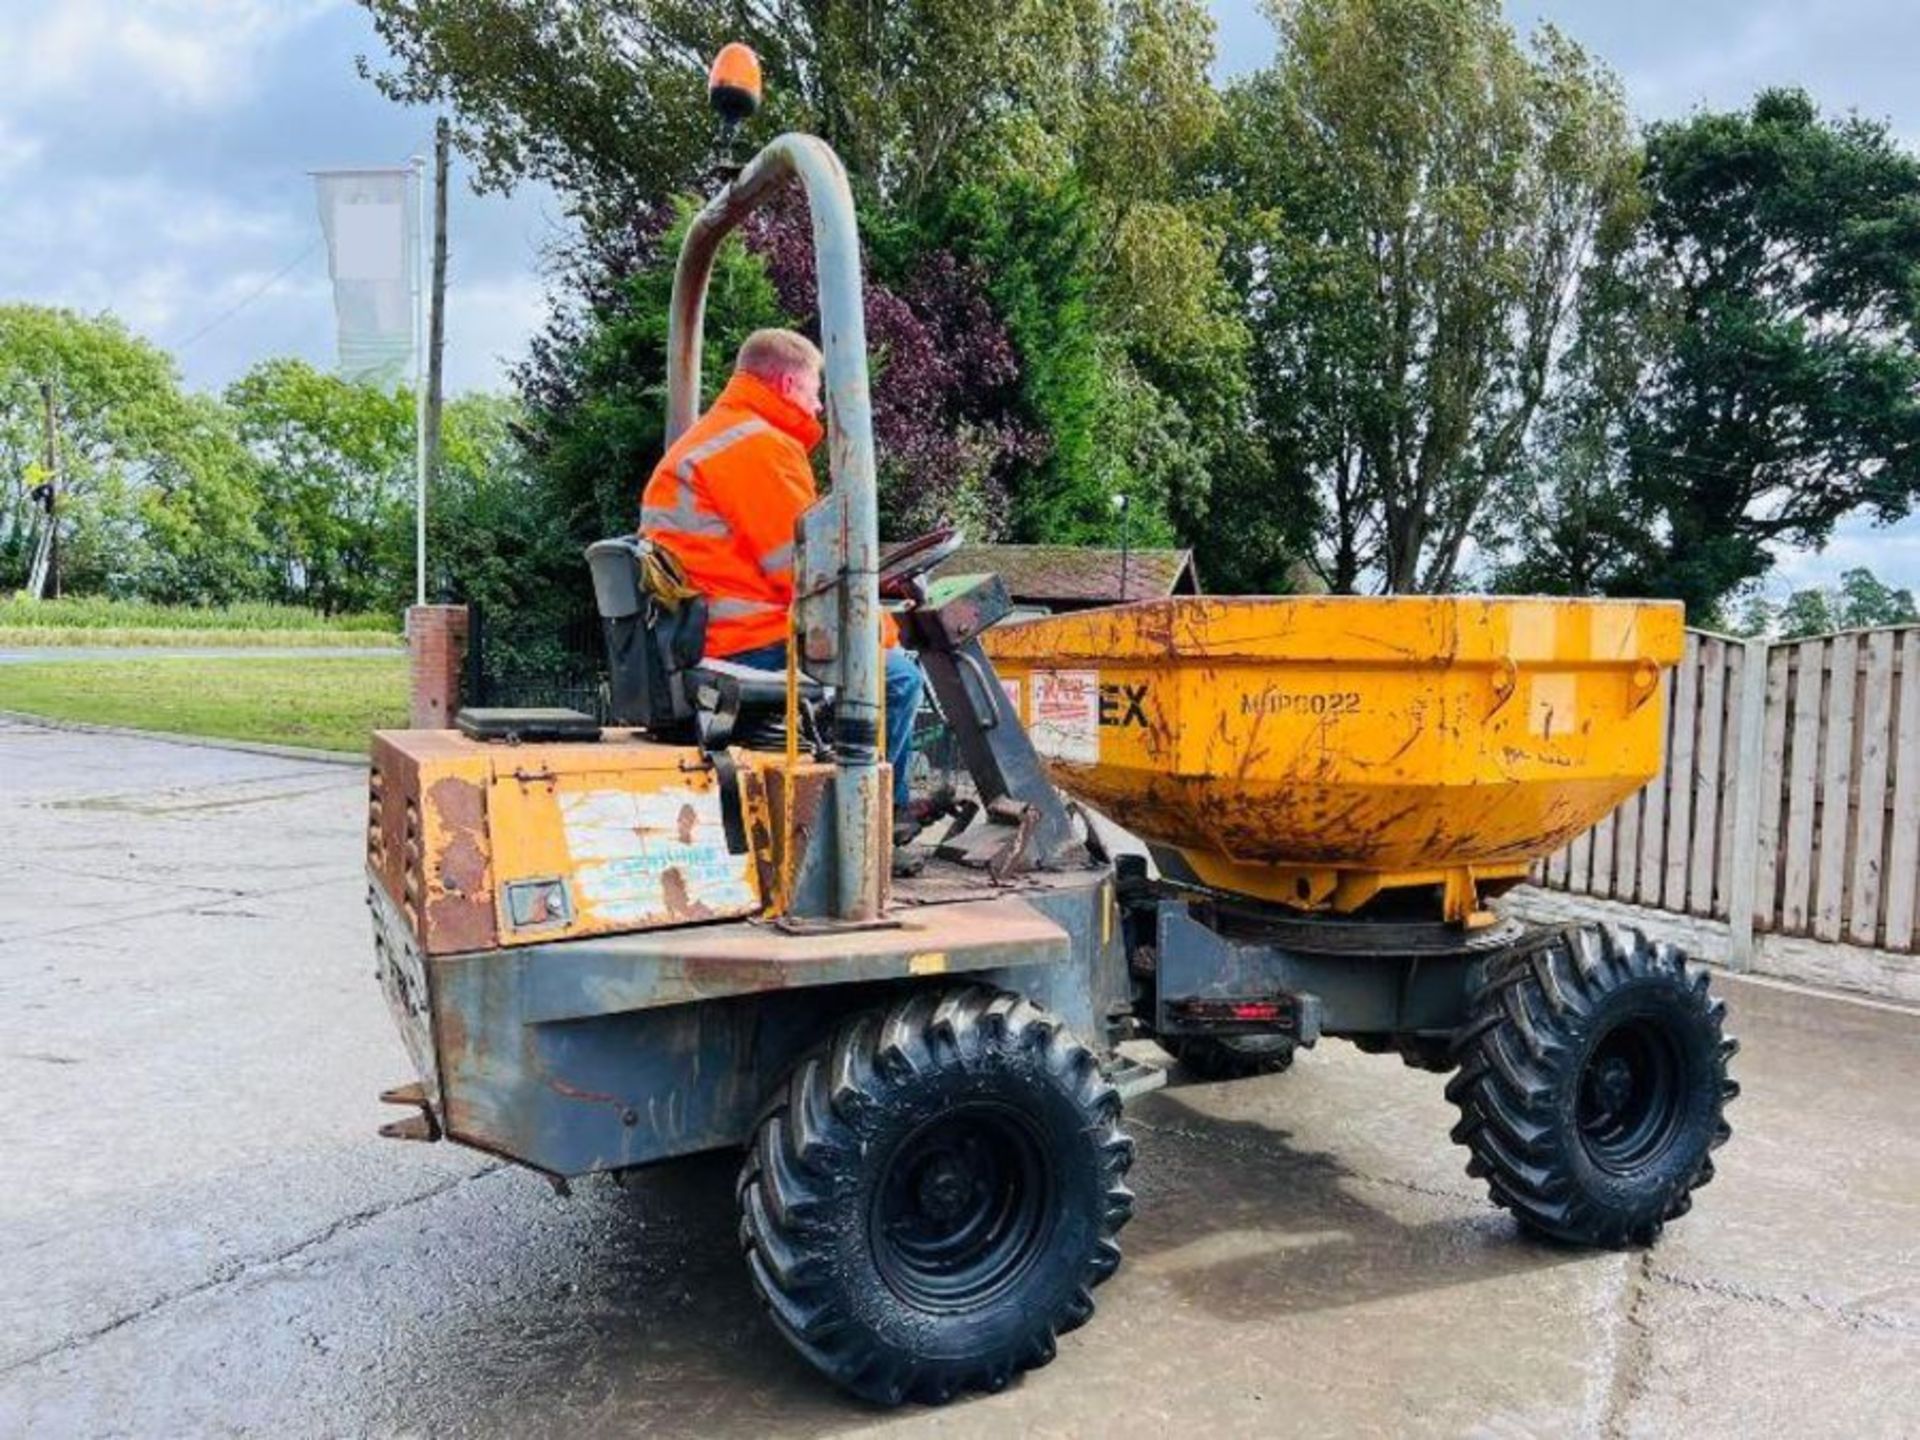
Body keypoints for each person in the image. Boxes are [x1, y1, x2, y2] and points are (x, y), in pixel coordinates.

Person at [641, 328, 929, 831]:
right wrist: (880, 629)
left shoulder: (717, 437)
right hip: (741, 645)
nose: (818, 406)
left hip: (704, 637)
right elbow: (808, 575)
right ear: (789, 383)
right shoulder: (759, 448)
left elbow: (777, 563)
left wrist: (873, 594)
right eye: (816, 390)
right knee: (899, 676)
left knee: (878, 662)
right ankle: (881, 823)